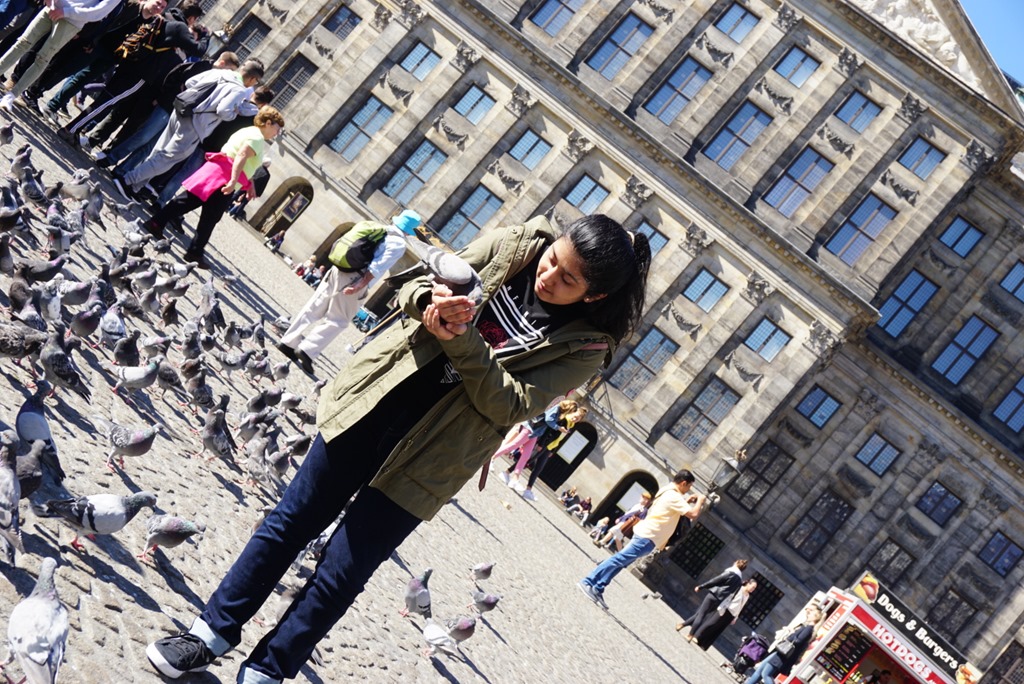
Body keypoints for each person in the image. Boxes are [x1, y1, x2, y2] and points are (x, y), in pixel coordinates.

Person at [143, 213, 651, 683]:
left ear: (594, 296)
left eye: (568, 280)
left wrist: (461, 337)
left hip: (435, 457)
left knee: (341, 573)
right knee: (289, 524)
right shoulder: (514, 245)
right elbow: (411, 286)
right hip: (377, 401)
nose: (548, 276)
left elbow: (510, 403)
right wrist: (430, 303)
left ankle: (267, 672)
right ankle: (209, 634)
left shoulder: (587, 347)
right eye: (553, 259)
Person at [276, 210, 422, 375]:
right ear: (410, 231)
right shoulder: (398, 243)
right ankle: (307, 350)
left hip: (337, 269)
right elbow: (376, 267)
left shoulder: (379, 229)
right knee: (339, 319)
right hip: (355, 278)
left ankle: (287, 342)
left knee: (314, 306)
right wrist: (359, 285)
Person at [140, 105, 284, 268]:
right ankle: (191, 249)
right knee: (204, 212)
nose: (277, 133)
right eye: (277, 128)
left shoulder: (249, 131)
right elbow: (241, 156)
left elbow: (241, 158)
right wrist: (233, 181)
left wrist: (249, 183)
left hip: (220, 172)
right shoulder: (257, 138)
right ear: (268, 123)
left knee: (194, 204)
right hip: (224, 177)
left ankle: (165, 229)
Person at [115, 58, 264, 199]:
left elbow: (190, 82)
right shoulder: (238, 90)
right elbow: (223, 111)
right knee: (167, 159)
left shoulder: (222, 73)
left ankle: (134, 187)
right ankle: (127, 180)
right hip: (195, 125)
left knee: (159, 150)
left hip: (181, 111)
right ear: (252, 79)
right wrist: (233, 113)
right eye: (256, 82)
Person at [579, 470, 706, 609]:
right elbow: (693, 514)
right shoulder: (673, 495)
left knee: (622, 562)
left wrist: (687, 501)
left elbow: (670, 510)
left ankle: (598, 588)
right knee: (619, 559)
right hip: (648, 536)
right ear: (683, 483)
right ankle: (588, 582)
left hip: (648, 536)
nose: (689, 489)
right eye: (689, 486)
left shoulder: (668, 491)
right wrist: (700, 500)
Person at [0, 0, 120, 111]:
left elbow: (98, 12)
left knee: (43, 58)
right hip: (52, 7)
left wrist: (66, 12)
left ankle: (11, 96)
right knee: (22, 43)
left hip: (71, 21)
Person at [492, 399, 579, 493]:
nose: (569, 414)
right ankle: (491, 459)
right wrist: (558, 428)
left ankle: (515, 479)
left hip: (536, 432)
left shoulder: (559, 412)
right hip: (530, 428)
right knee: (513, 445)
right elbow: (548, 419)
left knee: (526, 456)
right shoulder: (556, 408)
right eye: (571, 412)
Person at [520, 405, 587, 502]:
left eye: (578, 419)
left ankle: (528, 489)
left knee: (538, 468)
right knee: (527, 461)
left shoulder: (570, 425)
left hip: (550, 447)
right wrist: (541, 443)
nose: (575, 419)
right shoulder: (563, 420)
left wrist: (552, 450)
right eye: (576, 416)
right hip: (545, 444)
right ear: (572, 412)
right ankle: (509, 472)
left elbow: (560, 439)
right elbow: (549, 431)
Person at [744, 606, 823, 684]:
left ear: (814, 617)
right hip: (781, 651)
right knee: (761, 670)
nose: (809, 615)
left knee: (766, 674)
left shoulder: (809, 629)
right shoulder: (807, 627)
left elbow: (798, 641)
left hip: (783, 654)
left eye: (811, 614)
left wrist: (791, 634)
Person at [677, 559, 749, 638]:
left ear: (736, 563)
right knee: (700, 614)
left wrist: (701, 586)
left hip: (714, 595)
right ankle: (682, 625)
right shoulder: (739, 581)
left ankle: (690, 635)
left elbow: (715, 580)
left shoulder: (730, 572)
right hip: (720, 600)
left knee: (701, 615)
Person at [691, 578, 757, 651]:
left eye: (754, 588)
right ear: (748, 584)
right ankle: (696, 636)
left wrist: (735, 618)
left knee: (718, 629)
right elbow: (728, 598)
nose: (753, 589)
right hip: (725, 609)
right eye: (753, 587)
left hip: (732, 614)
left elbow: (741, 607)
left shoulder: (747, 596)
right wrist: (722, 607)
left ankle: (703, 643)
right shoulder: (739, 588)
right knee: (711, 623)